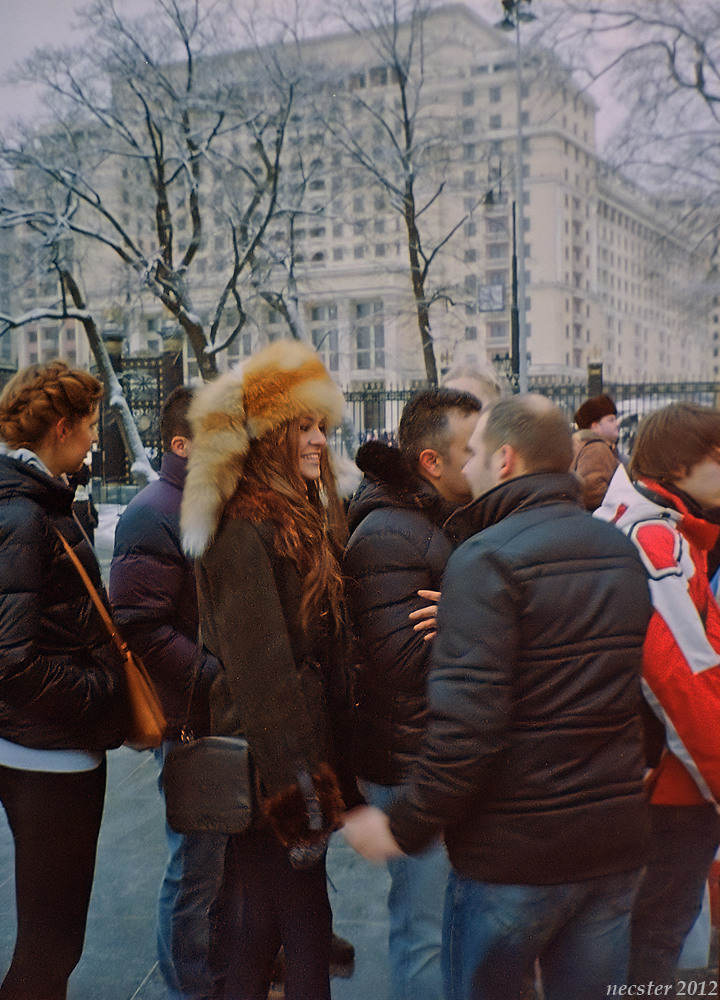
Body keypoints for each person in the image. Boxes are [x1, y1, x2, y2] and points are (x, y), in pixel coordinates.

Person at [344, 394, 653, 1000]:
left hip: (515, 855)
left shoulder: (484, 560)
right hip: (611, 844)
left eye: (479, 451)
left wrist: (403, 827)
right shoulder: (617, 548)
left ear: (506, 460)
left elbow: (466, 730)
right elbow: (633, 694)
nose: (471, 462)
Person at [180, 339, 356, 1000]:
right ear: (267, 437)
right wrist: (297, 795)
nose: (318, 441)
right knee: (294, 922)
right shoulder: (244, 527)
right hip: (271, 768)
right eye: (303, 427)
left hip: (300, 757)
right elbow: (263, 675)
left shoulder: (300, 516)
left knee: (271, 922)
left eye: (321, 427)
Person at [342, 387, 480, 1000]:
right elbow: (398, 661)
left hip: (440, 750)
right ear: (431, 462)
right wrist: (478, 623)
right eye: (471, 448)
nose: (486, 460)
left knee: (454, 922)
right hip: (411, 758)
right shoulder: (390, 535)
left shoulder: (443, 519)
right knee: (424, 928)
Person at [0, 360, 130, 1000]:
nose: (95, 439)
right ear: (61, 427)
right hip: (49, 756)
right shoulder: (25, 516)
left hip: (43, 747)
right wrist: (103, 694)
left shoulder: (39, 502)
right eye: (90, 426)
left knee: (50, 944)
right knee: (51, 950)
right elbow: (11, 659)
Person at [595, 403, 720, 989]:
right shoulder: (655, 535)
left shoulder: (654, 522)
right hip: (676, 777)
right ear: (678, 465)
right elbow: (678, 674)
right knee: (659, 928)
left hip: (668, 768)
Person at [109, 386, 226, 1000]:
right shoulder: (155, 511)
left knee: (213, 860)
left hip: (214, 714)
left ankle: (209, 974)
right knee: (196, 867)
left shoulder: (207, 502)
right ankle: (189, 986)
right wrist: (215, 677)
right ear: (182, 444)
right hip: (187, 718)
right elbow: (139, 624)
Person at [571, 393, 621, 510]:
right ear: (595, 427)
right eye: (611, 420)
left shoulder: (582, 445)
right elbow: (591, 491)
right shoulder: (597, 448)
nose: (617, 423)